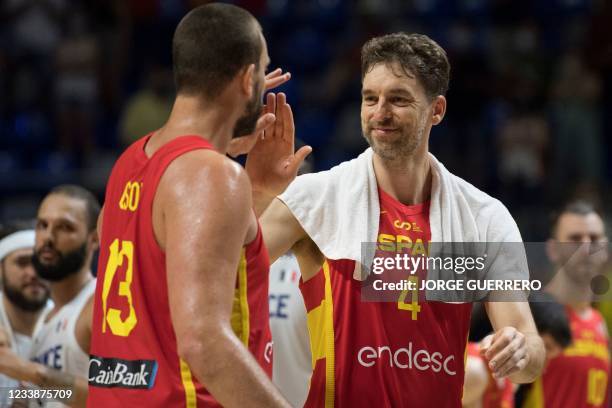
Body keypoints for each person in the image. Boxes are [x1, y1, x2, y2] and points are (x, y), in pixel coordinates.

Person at [250, 32, 545, 406]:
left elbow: (528, 348)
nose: (380, 112)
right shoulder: (319, 198)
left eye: (398, 99)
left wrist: (521, 352)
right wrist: (257, 195)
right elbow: (228, 273)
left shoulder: (484, 217)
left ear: (436, 110)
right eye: (370, 98)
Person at [87, 4, 308, 407]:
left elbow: (157, 252)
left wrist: (252, 189)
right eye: (262, 71)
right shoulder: (211, 176)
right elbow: (204, 341)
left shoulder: (133, 160)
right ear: (246, 79)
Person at [0, 185, 100, 408]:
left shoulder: (100, 305)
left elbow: (118, 396)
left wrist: (28, 371)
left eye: (65, 227)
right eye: (42, 225)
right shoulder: (45, 318)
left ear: (94, 239)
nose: (48, 237)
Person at [524, 200, 609, 407]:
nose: (586, 247)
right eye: (575, 239)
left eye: (594, 238)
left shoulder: (600, 324)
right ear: (553, 249)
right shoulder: (529, 312)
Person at [464, 293, 573, 408]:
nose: (544, 366)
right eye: (545, 348)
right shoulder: (475, 370)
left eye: (550, 358)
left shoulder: (512, 381)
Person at [0, 222, 50, 406]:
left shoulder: (67, 322)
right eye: (22, 263)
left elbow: (80, 396)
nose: (34, 273)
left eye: (40, 263)